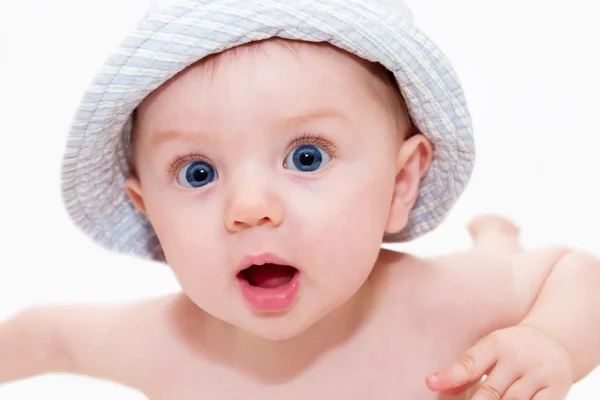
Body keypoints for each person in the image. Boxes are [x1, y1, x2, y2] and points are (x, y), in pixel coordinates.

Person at [2, 0, 600, 399]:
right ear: (146, 210)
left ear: (399, 184)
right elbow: (50, 333)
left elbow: (576, 275)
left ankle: (496, 237)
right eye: (198, 172)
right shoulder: (159, 344)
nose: (248, 206)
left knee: (499, 267)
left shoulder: (440, 307)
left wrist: (552, 342)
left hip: (475, 287)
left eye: (306, 157)